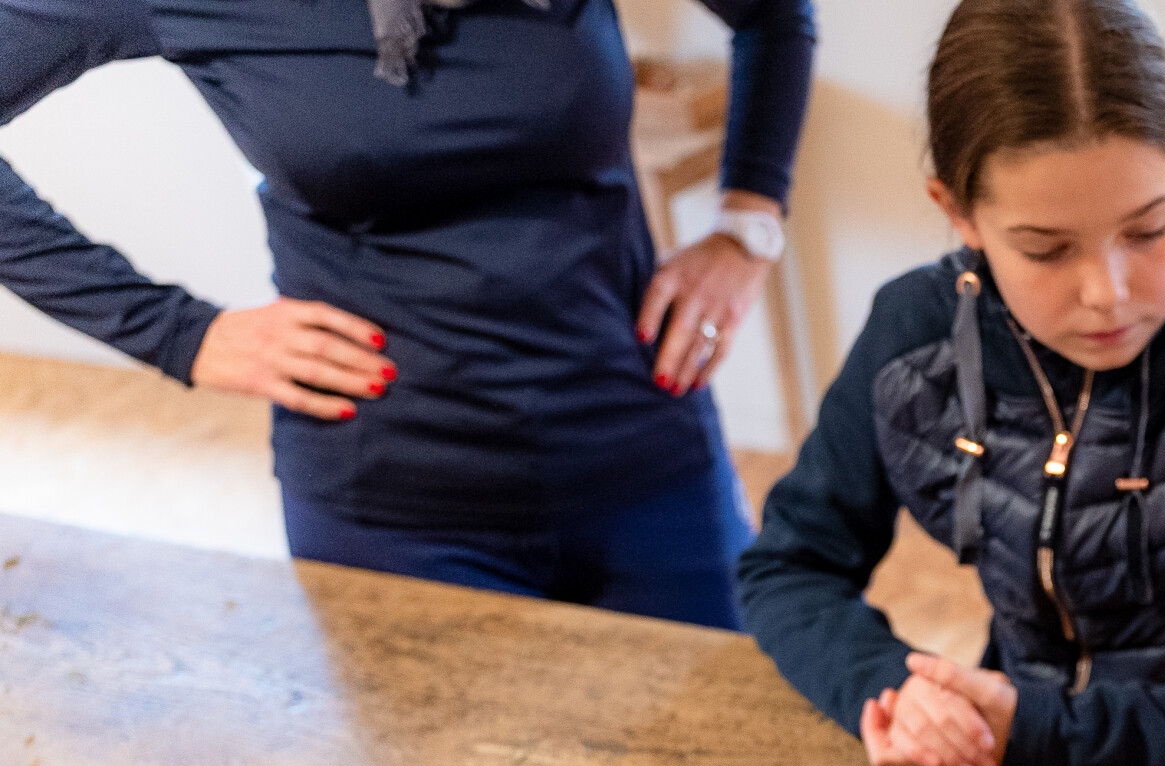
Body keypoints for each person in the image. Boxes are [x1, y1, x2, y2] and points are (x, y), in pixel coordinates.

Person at [738, 0, 1165, 766]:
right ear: (957, 213)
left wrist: (1047, 735)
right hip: (1009, 748)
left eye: (1150, 231)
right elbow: (787, 568)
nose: (1109, 294)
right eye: (1046, 249)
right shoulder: (913, 332)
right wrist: (897, 693)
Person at [0, 0, 814, 629]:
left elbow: (775, 13)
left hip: (640, 441)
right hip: (390, 494)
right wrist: (179, 334)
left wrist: (748, 224)